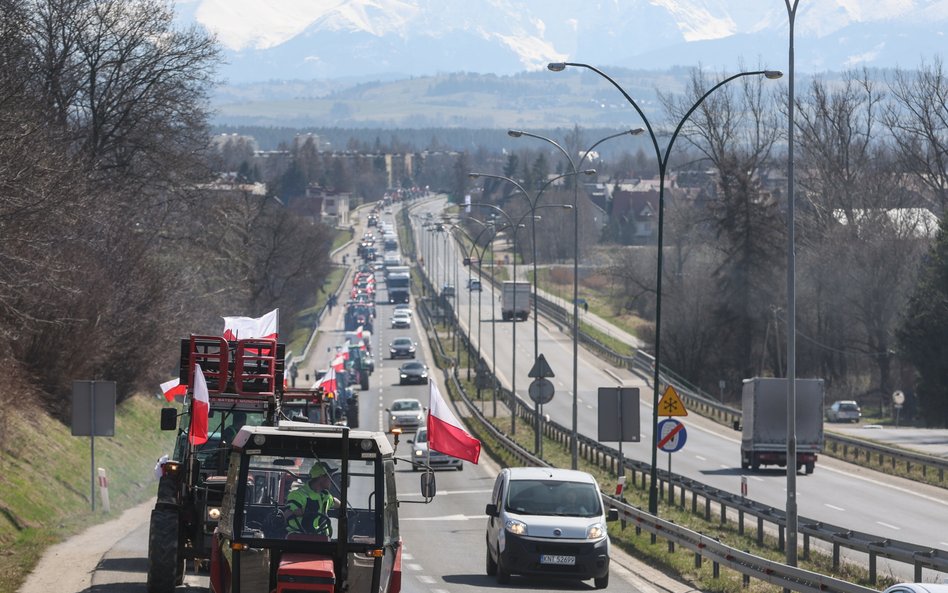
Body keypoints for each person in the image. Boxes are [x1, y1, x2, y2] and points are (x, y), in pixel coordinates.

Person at [284, 463, 341, 537]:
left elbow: (337, 503)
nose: (331, 480)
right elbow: (287, 514)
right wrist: (299, 512)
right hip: (298, 539)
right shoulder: (298, 495)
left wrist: (341, 505)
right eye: (329, 476)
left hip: (322, 539)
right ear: (321, 477)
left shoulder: (325, 496)